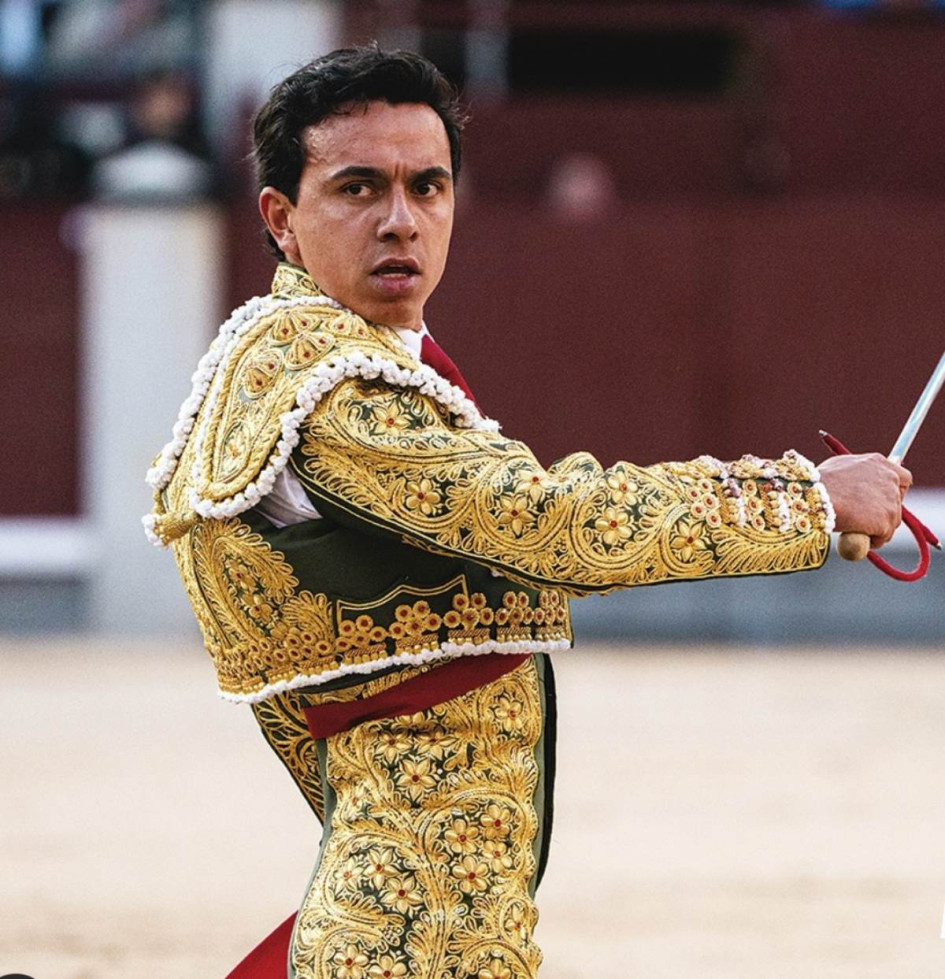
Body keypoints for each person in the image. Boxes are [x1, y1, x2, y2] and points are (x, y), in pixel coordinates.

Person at [143, 46, 909, 979]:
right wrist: (805, 500)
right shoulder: (327, 388)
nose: (400, 220)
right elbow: (547, 523)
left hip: (414, 905)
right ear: (282, 221)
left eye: (428, 186)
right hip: (412, 929)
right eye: (357, 189)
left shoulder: (312, 356)